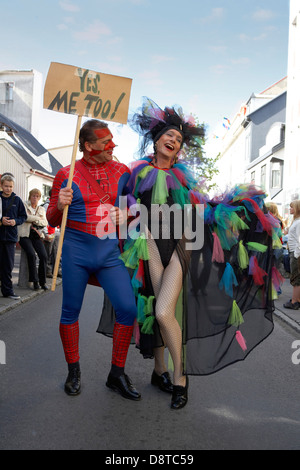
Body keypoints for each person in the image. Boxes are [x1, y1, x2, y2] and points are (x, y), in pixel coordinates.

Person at [103, 97, 278, 410]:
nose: (173, 140)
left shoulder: (184, 178)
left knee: (162, 312)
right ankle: (160, 371)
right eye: (169, 135)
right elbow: (120, 210)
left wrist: (226, 216)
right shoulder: (136, 174)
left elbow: (198, 212)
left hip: (181, 246)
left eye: (179, 139)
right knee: (157, 307)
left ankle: (181, 377)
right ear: (155, 139)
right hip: (149, 244)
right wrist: (123, 215)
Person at [46, 119, 140, 400]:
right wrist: (60, 204)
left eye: (112, 139)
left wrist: (129, 214)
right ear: (88, 146)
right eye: (105, 141)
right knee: (69, 311)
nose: (113, 145)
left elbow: (135, 205)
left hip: (109, 253)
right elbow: (52, 218)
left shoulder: (123, 171)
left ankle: (117, 374)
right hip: (76, 251)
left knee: (127, 309)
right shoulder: (66, 174)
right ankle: (73, 370)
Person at [0, 173, 27, 299]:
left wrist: (15, 221)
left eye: (10, 186)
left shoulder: (17, 200)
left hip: (10, 238)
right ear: (1, 185)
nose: (8, 189)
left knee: (8, 266)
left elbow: (23, 217)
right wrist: (1, 220)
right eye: (6, 186)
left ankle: (8, 292)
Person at [18, 189, 49, 291]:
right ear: (29, 197)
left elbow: (45, 222)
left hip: (36, 235)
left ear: (39, 198)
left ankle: (42, 282)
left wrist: (34, 219)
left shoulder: (41, 209)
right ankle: (35, 282)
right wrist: (37, 218)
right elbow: (25, 217)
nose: (35, 198)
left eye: (37, 196)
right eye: (33, 196)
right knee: (31, 255)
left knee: (43, 256)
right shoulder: (24, 205)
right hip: (24, 235)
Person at [283, 199, 300, 310]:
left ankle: (294, 302)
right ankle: (297, 299)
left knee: (295, 278)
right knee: (296, 277)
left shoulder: (298, 222)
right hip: (293, 252)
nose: (290, 209)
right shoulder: (296, 220)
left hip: (295, 253)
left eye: (292, 207)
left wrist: (296, 254)